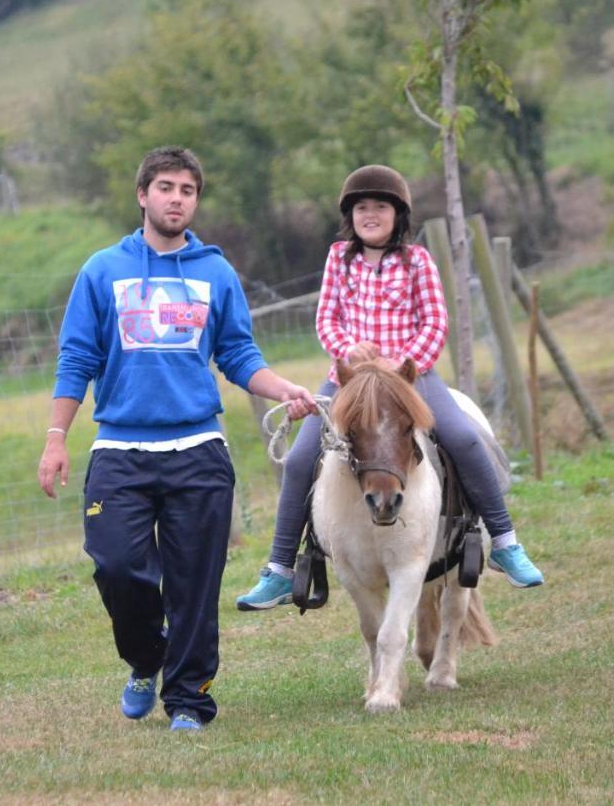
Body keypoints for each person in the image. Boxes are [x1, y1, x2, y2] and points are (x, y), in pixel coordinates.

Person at [38, 145, 317, 732]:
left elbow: (239, 355)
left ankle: (189, 700)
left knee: (194, 586)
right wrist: (56, 437)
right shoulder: (101, 270)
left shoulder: (215, 273)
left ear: (195, 201)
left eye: (187, 191)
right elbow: (76, 358)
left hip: (198, 453)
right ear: (143, 195)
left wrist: (284, 387)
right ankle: (146, 658)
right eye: (165, 187)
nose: (176, 198)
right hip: (120, 450)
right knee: (116, 566)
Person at [235, 164, 544, 611]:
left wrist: (404, 362)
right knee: (302, 456)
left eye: (381, 207)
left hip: (409, 377)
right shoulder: (338, 258)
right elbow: (327, 320)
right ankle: (281, 568)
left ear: (399, 215)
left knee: (462, 436)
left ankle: (505, 541)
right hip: (351, 379)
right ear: (350, 216)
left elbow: (436, 321)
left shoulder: (417, 260)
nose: (371, 215)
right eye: (362, 208)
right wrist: (351, 354)